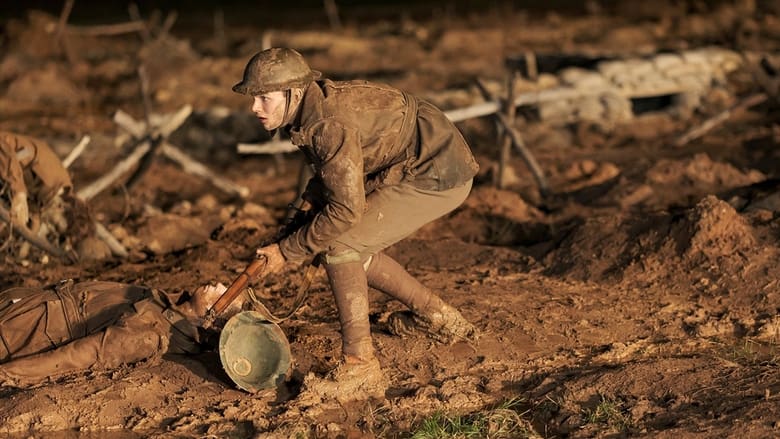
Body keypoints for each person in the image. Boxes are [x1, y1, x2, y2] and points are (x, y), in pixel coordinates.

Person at [232, 47, 481, 402]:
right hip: (416, 156)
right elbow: (328, 176)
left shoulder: (326, 123)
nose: (255, 108)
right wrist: (294, 223)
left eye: (264, 98)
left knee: (339, 244)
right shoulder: (311, 110)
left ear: (294, 93)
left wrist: (287, 250)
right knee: (338, 242)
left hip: (437, 169)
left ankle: (361, 366)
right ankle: (438, 318)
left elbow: (345, 211)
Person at [0, 279, 241, 388]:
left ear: (210, 318)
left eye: (224, 293)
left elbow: (80, 355)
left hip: (23, 330)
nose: (219, 285)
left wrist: (7, 373)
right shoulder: (168, 305)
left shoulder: (153, 334)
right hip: (29, 306)